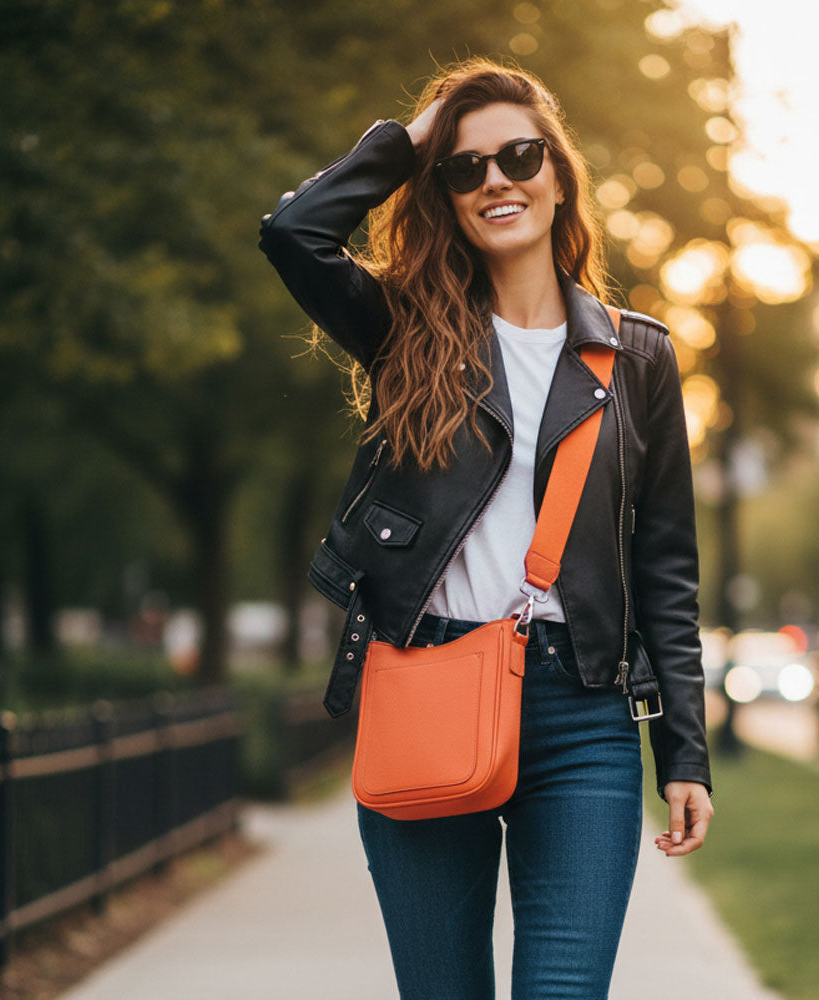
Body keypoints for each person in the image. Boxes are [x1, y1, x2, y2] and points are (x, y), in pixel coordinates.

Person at [259, 57, 713, 1000]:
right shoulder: (405, 332)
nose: (496, 179)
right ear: (445, 193)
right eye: (466, 168)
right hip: (425, 683)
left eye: (518, 155)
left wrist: (684, 752)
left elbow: (664, 567)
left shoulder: (638, 359)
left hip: (581, 712)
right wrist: (411, 139)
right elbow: (295, 233)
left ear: (559, 176)